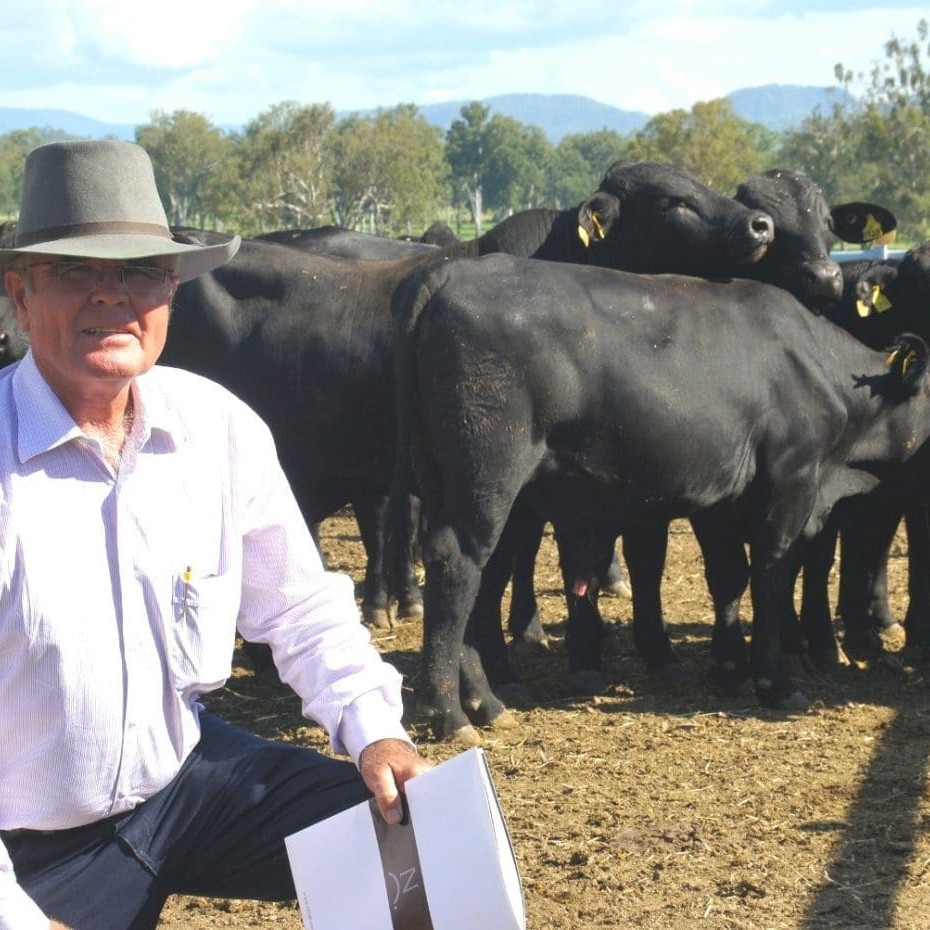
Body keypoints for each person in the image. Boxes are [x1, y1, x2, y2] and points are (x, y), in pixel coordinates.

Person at [0, 139, 432, 930]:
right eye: (74, 272)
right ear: (18, 297)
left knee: (424, 847)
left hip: (183, 782)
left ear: (171, 292)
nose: (111, 297)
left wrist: (375, 732)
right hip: (28, 849)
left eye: (138, 272)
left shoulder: (216, 427)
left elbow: (300, 609)